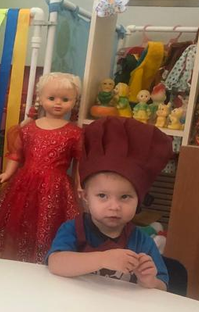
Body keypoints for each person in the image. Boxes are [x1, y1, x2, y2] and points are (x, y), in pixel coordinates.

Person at [47, 117, 173, 290]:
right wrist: (103, 259)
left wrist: (150, 281)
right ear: (85, 196)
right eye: (102, 196)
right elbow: (55, 263)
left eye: (125, 197)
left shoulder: (142, 241)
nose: (114, 206)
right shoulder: (73, 229)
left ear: (139, 199)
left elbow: (162, 287)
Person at [0, 72, 83, 263]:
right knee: (19, 223)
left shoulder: (75, 133)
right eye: (52, 98)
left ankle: (43, 261)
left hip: (56, 188)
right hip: (25, 185)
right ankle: (16, 263)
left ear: (74, 101)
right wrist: (8, 172)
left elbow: (79, 163)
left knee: (48, 224)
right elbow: (17, 154)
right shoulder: (29, 128)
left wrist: (79, 184)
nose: (58, 103)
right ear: (40, 99)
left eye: (65, 99)